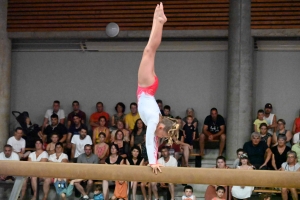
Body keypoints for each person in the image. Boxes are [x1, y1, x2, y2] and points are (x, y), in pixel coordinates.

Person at [136, 2, 179, 174]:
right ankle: (158, 21)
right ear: (161, 128)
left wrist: (153, 161)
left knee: (150, 50)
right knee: (149, 50)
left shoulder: (157, 122)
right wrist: (153, 162)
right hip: (146, 87)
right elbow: (148, 140)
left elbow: (152, 142)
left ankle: (159, 21)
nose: (161, 140)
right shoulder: (155, 121)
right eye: (163, 136)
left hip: (150, 88)